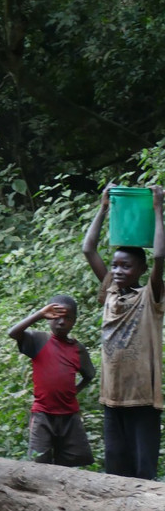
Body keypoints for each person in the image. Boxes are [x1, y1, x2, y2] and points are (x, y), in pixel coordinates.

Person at [82, 184, 165, 479]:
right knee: (116, 468)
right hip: (112, 395)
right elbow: (88, 248)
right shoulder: (111, 292)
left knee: (144, 471)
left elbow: (158, 256)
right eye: (115, 266)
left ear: (140, 269)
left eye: (126, 266)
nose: (117, 271)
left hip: (142, 395)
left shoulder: (151, 296)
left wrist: (158, 209)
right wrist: (103, 207)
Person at [7, 297, 96, 467]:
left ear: (74, 321)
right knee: (38, 463)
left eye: (67, 318)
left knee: (71, 463)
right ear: (49, 318)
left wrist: (74, 392)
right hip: (43, 414)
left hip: (69, 415)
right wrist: (39, 314)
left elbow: (89, 375)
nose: (61, 322)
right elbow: (13, 333)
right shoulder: (39, 340)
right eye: (56, 317)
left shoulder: (78, 349)